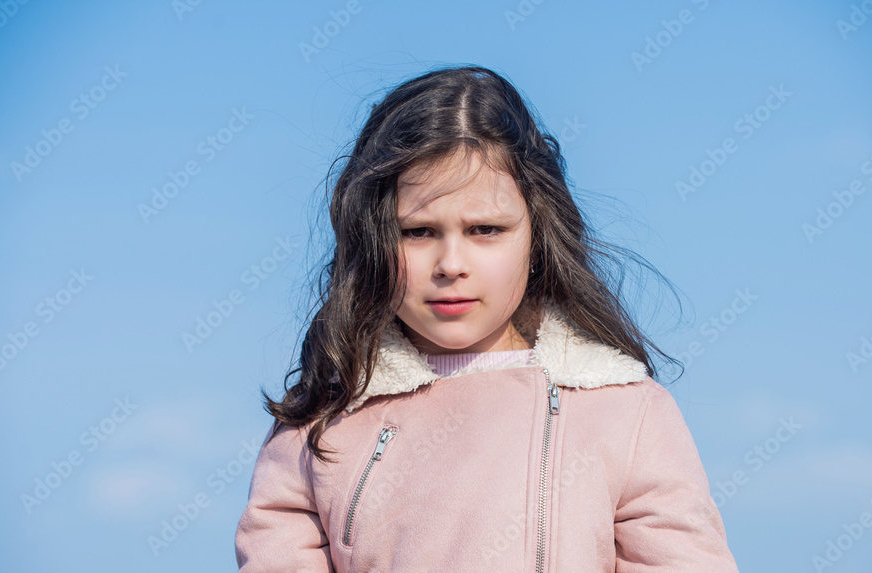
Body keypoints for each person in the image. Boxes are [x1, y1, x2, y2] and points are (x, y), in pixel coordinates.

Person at [234, 65, 739, 572]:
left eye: (485, 229)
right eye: (418, 232)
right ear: (372, 241)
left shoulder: (624, 411)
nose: (451, 265)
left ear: (537, 238)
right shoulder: (323, 420)